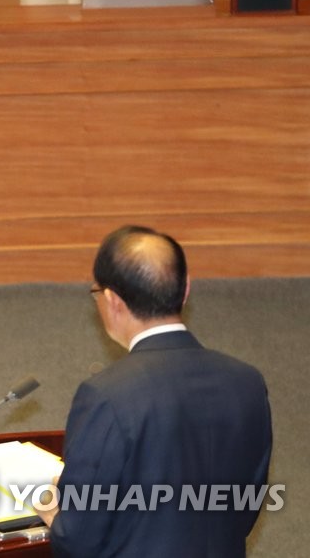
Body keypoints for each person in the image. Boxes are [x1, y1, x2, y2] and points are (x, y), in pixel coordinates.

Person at [36, 225, 272, 557]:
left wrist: (55, 515)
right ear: (186, 290)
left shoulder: (107, 395)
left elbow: (79, 538)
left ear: (112, 301)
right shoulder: (247, 382)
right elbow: (245, 506)